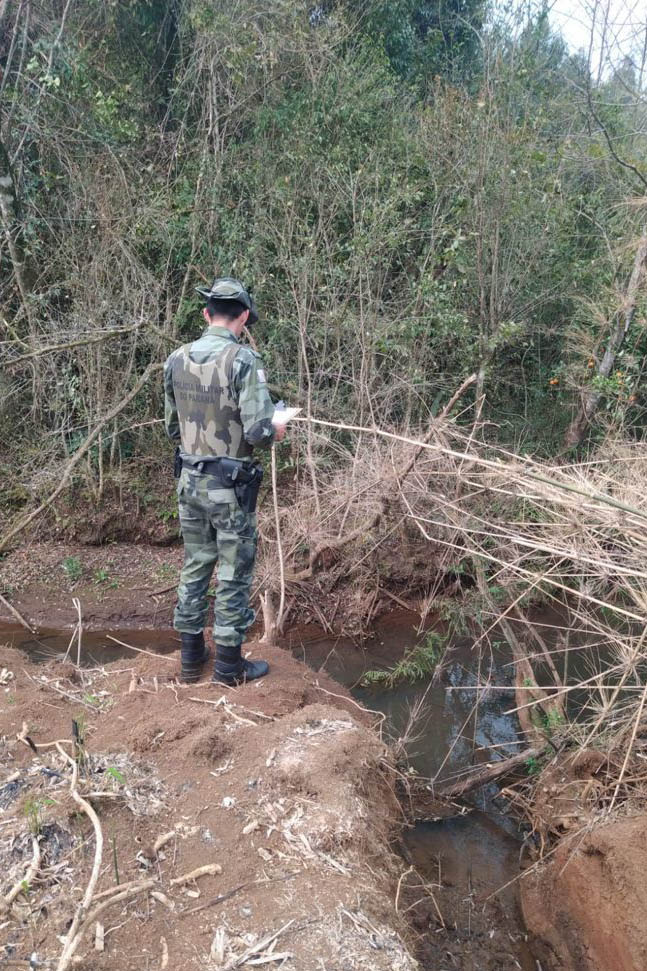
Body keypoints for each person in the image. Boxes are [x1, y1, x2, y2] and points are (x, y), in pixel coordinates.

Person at [163, 277, 285, 685]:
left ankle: (191, 658)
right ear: (244, 317)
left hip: (189, 481)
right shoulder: (243, 360)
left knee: (196, 563)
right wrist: (277, 427)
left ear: (206, 314)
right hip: (230, 487)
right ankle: (229, 668)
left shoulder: (175, 359)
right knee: (233, 571)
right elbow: (257, 433)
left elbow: (170, 429)